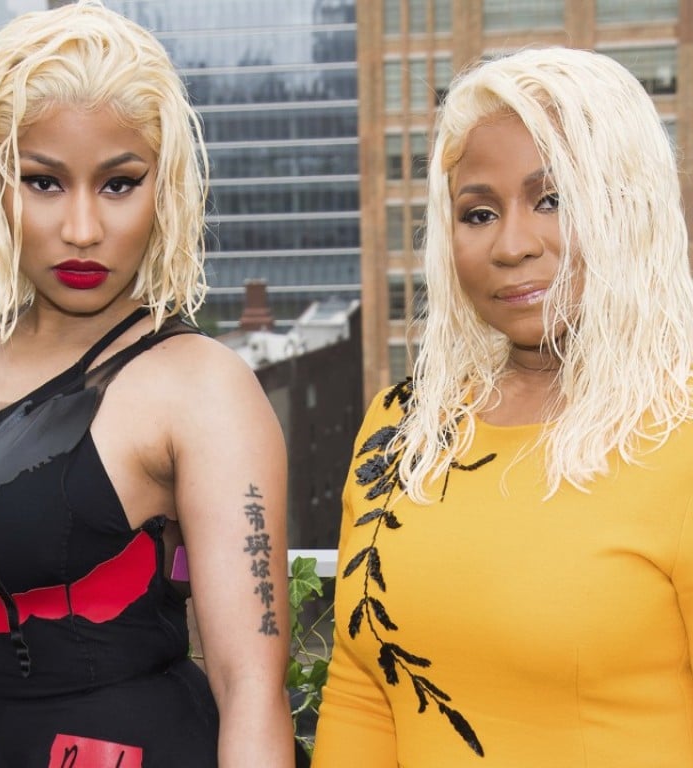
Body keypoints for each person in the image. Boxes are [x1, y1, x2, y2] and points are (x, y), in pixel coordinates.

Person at [0, 2, 295, 766]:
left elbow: (251, 689)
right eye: (44, 182)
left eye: (120, 184)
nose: (84, 229)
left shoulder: (202, 386)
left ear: (166, 190)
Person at [312, 46, 693, 767]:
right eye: (478, 212)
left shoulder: (680, 435)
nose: (512, 245)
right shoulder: (403, 428)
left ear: (628, 204)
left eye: (553, 199)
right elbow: (362, 687)